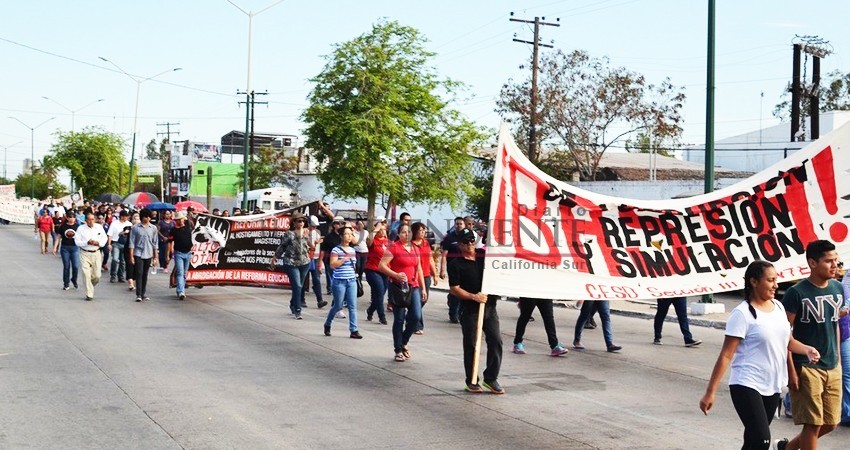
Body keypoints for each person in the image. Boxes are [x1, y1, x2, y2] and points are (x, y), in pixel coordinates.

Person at [700, 260, 820, 450]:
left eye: (776, 280)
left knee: (752, 441)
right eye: (770, 280)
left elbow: (787, 341)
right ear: (754, 282)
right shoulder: (742, 314)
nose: (776, 285)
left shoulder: (778, 307)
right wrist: (710, 392)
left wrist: (806, 349)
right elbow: (726, 355)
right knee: (762, 440)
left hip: (772, 384)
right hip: (746, 383)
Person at [777, 240, 847, 450]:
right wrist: (791, 371)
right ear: (813, 263)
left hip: (832, 365)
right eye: (829, 261)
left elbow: (834, 324)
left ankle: (787, 448)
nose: (835, 266)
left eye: (836, 260)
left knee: (831, 422)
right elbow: (784, 334)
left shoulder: (837, 288)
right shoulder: (796, 293)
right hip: (806, 366)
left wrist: (838, 359)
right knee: (812, 423)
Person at [448, 229, 504, 394]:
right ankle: (472, 380)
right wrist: (473, 296)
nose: (470, 244)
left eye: (472, 240)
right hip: (470, 310)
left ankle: (491, 378)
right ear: (459, 244)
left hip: (489, 307)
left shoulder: (484, 256)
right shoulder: (456, 264)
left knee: (496, 341)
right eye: (466, 241)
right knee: (472, 345)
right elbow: (454, 289)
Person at [379, 223, 425, 362]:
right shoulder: (394, 247)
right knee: (399, 319)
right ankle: (398, 350)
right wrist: (395, 275)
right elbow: (381, 266)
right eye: (403, 232)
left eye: (409, 232)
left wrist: (423, 288)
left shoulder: (415, 248)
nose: (407, 234)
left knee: (416, 316)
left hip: (413, 286)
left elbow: (419, 269)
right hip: (398, 287)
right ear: (398, 234)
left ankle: (404, 341)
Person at [323, 222, 362, 339]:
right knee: (338, 305)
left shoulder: (352, 250)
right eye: (346, 234)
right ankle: (328, 323)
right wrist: (344, 258)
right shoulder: (336, 250)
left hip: (351, 281)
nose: (349, 237)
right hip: (339, 281)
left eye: (351, 234)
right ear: (341, 236)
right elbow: (333, 265)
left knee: (352, 306)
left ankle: (354, 330)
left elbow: (354, 265)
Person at [270, 212, 311, 320]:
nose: (301, 223)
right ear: (294, 223)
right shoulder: (289, 234)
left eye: (303, 221)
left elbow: (311, 246)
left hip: (304, 262)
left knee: (299, 286)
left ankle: (293, 303)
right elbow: (282, 246)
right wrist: (275, 257)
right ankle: (298, 309)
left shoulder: (307, 233)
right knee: (297, 286)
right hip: (291, 262)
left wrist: (310, 238)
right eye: (299, 221)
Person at [73, 213, 107, 301]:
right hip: (85, 253)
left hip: (96, 252)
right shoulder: (81, 228)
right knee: (86, 273)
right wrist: (87, 242)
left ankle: (89, 285)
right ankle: (89, 294)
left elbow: (104, 238)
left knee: (97, 275)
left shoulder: (99, 227)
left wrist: (99, 243)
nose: (91, 221)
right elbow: (77, 241)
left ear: (95, 219)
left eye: (92, 219)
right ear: (86, 220)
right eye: (89, 219)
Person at [411, 221, 437, 334]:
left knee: (424, 299)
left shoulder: (426, 243)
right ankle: (418, 326)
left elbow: (430, 259)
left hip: (426, 275)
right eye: (420, 231)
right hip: (414, 276)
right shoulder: (410, 244)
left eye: (424, 231)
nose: (422, 233)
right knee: (418, 300)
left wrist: (435, 274)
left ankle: (411, 316)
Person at [128, 208, 159, 302]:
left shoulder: (153, 228)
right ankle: (138, 294)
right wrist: (131, 256)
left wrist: (156, 257)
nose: (148, 219)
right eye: (146, 217)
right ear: (142, 217)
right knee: (139, 273)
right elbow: (131, 243)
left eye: (149, 217)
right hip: (138, 253)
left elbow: (155, 243)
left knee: (145, 274)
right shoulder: (135, 228)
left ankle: (143, 293)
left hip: (148, 253)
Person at [440, 217, 467, 323]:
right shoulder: (449, 238)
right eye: (457, 224)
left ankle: (461, 313)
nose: (459, 225)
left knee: (464, 290)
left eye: (461, 224)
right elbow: (444, 254)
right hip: (452, 267)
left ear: (464, 225)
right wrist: (442, 270)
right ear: (454, 225)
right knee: (456, 290)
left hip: (465, 267)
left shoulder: (467, 236)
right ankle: (453, 314)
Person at [364, 219, 390, 325]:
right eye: (380, 230)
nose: (382, 232)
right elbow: (368, 240)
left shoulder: (388, 242)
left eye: (384, 230)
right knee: (379, 292)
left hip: (385, 271)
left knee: (381, 294)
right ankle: (381, 316)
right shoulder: (373, 240)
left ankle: (370, 310)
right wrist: (376, 228)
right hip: (373, 270)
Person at [300, 215, 328, 309]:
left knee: (316, 280)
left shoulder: (317, 233)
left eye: (315, 226)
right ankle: (301, 299)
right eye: (313, 226)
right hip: (305, 258)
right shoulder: (303, 232)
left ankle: (320, 300)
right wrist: (312, 244)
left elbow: (319, 248)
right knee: (303, 279)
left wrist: (320, 261)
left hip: (314, 258)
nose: (314, 228)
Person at [169, 211, 193, 300]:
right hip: (178, 253)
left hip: (188, 252)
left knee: (184, 273)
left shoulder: (188, 227)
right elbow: (170, 241)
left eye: (181, 219)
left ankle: (180, 289)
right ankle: (181, 291)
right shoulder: (173, 230)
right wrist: (169, 252)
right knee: (180, 272)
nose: (180, 221)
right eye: (178, 220)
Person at [319, 216, 344, 296]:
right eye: (338, 223)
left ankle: (338, 289)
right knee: (331, 276)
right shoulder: (329, 236)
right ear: (334, 225)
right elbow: (323, 249)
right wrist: (320, 262)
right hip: (330, 259)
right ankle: (330, 289)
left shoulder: (345, 236)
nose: (340, 225)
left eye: (342, 223)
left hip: (342, 260)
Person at [55, 212, 80, 290]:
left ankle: (74, 279)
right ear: (67, 218)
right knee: (66, 266)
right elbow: (58, 237)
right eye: (70, 217)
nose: (72, 219)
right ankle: (66, 283)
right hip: (65, 248)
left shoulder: (78, 226)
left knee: (75, 266)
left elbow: (82, 237)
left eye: (73, 217)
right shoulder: (63, 226)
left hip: (75, 248)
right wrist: (55, 247)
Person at [107, 210, 132, 283]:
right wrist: (109, 244)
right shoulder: (114, 224)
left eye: (126, 216)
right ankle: (113, 275)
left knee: (123, 261)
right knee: (115, 259)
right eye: (124, 216)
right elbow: (110, 234)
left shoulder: (129, 224)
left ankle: (120, 276)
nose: (125, 218)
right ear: (121, 216)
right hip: (116, 243)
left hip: (125, 244)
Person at [123, 212, 140, 292]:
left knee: (136, 266)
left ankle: (134, 280)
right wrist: (125, 232)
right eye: (135, 219)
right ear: (132, 220)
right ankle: (130, 283)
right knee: (129, 265)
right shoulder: (129, 228)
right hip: (128, 249)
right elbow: (122, 233)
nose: (136, 220)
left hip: (137, 250)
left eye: (138, 219)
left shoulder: (141, 229)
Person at [156, 210, 175, 274]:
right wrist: (163, 237)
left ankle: (166, 264)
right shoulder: (161, 222)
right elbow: (158, 231)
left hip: (171, 240)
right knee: (163, 254)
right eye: (166, 214)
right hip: (162, 240)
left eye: (169, 214)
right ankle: (164, 266)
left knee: (170, 253)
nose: (168, 215)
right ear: (164, 215)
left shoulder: (173, 222)